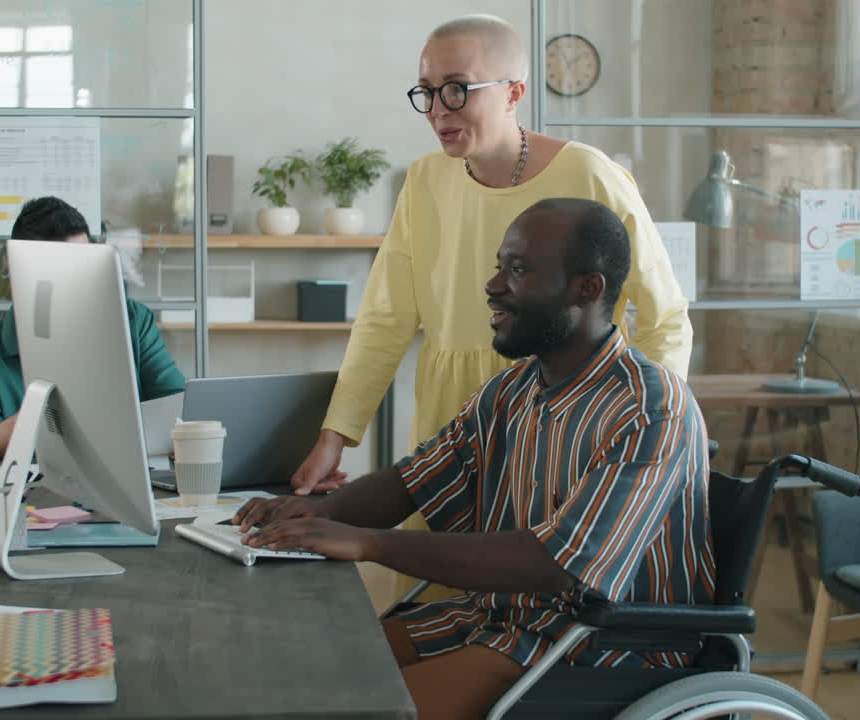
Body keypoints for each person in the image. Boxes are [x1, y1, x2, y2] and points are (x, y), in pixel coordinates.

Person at [234, 199, 713, 719]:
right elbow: (413, 482)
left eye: (519, 269)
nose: (493, 285)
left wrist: (368, 543)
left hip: (594, 650)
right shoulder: (510, 390)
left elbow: (558, 566)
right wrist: (318, 512)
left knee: (356, 707)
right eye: (499, 266)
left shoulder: (648, 408)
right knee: (298, 672)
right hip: (493, 621)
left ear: (587, 289)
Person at [294, 13, 693, 601]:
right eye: (427, 92)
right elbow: (385, 319)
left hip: (568, 423)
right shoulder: (426, 181)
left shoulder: (589, 173)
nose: (437, 109)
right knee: (435, 599)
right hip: (454, 421)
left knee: (537, 600)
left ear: (514, 92)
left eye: (457, 89)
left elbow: (664, 318)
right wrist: (335, 435)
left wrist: (650, 436)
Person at [0, 196, 185, 459]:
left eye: (82, 264)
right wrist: (46, 421)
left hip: (124, 478)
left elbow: (176, 404)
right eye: (58, 268)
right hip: (31, 490)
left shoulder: (132, 321)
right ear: (14, 269)